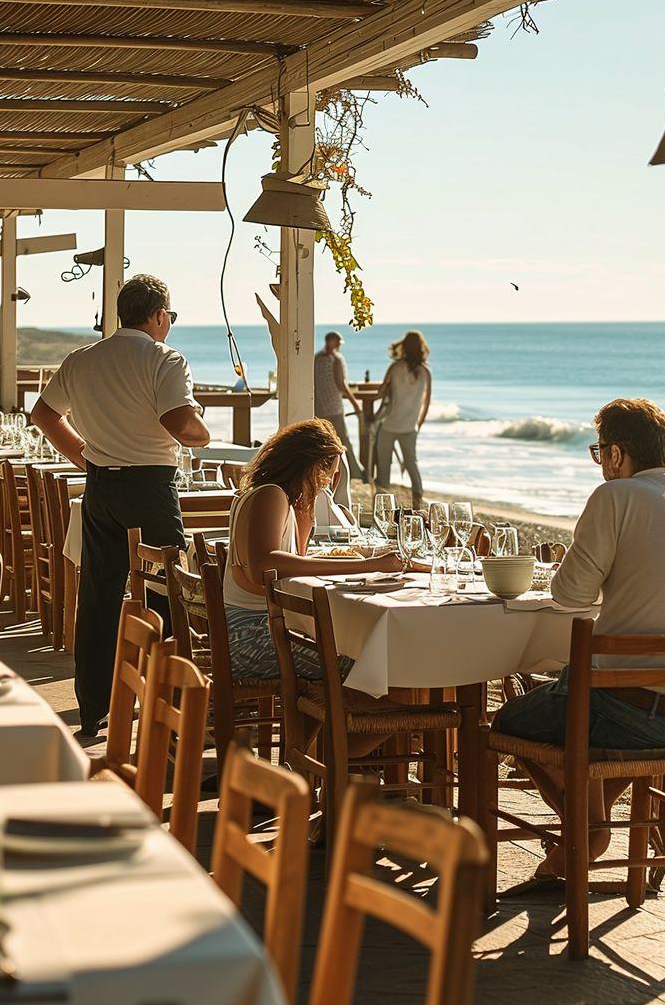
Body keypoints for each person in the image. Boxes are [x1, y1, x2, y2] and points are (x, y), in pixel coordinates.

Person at [492, 398, 665, 879]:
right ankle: (587, 829)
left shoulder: (614, 498)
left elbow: (570, 594)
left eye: (599, 453)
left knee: (506, 722)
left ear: (618, 455)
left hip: (628, 714)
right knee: (578, 702)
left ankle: (587, 831)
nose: (600, 464)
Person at [30, 273, 212, 738]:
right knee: (168, 593)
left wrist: (82, 455)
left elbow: (44, 415)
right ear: (156, 315)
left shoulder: (82, 358)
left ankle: (93, 706)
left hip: (101, 488)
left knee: (98, 596)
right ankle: (167, 705)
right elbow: (179, 423)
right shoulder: (165, 359)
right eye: (168, 314)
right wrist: (203, 431)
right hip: (151, 487)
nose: (169, 322)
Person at [224, 420, 404, 679]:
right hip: (251, 638)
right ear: (311, 466)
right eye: (332, 472)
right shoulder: (270, 496)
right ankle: (346, 719)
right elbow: (264, 565)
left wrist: (305, 509)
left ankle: (327, 717)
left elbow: (294, 560)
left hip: (262, 630)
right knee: (372, 666)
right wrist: (369, 565)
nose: (332, 482)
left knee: (371, 656)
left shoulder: (273, 497)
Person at [374, 330, 431, 508]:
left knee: (383, 467)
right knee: (412, 465)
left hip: (390, 425)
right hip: (409, 427)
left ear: (404, 347)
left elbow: (380, 393)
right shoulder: (425, 372)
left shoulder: (395, 367)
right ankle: (417, 505)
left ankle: (382, 509)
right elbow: (426, 404)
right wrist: (418, 425)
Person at [313, 331, 363, 507]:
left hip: (319, 408)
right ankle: (353, 473)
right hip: (334, 407)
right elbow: (341, 384)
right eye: (338, 342)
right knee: (342, 442)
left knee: (324, 444)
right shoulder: (336, 359)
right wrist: (355, 403)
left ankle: (326, 472)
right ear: (332, 342)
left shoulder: (316, 358)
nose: (340, 345)